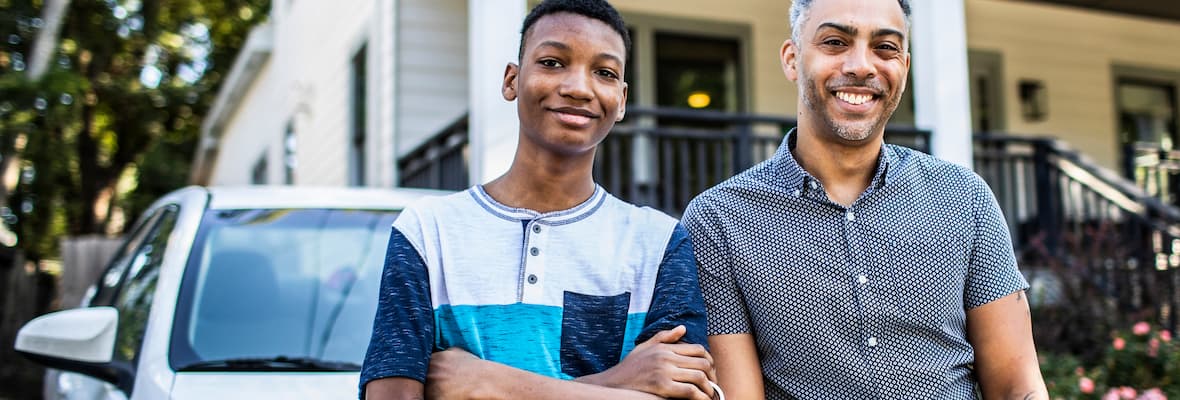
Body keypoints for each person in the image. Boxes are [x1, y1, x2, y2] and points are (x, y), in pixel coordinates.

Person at [681, 0, 1049, 398]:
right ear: (792, 59)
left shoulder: (965, 198)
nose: (862, 66)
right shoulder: (718, 220)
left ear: (904, 69)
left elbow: (1017, 383)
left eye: (885, 47)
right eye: (836, 42)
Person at [359, 1, 719, 399]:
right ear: (512, 80)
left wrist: (485, 383)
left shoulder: (660, 242)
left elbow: (688, 394)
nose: (578, 88)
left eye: (604, 72)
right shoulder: (427, 231)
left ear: (621, 100)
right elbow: (391, 394)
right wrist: (616, 384)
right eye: (552, 62)